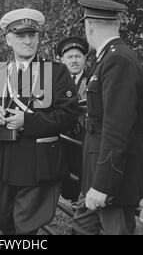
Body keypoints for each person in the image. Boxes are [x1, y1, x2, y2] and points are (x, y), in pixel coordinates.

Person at [0, 8, 78, 235]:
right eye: (20, 35)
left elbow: (68, 116)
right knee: (3, 218)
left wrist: (26, 121)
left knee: (25, 228)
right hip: (6, 164)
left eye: (32, 35)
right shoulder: (2, 72)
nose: (28, 41)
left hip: (38, 163)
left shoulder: (56, 72)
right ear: (8, 39)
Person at [72, 0, 143, 235]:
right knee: (81, 229)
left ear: (89, 26)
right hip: (96, 177)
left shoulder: (118, 60)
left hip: (112, 183)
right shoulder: (107, 58)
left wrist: (103, 186)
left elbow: (117, 129)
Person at [56, 36, 89, 202]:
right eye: (70, 57)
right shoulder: (56, 84)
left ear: (84, 58)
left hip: (85, 144)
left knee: (84, 190)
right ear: (62, 59)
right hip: (62, 144)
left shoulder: (94, 81)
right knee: (66, 188)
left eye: (78, 56)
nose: (74, 61)